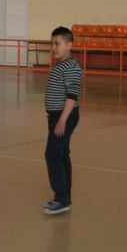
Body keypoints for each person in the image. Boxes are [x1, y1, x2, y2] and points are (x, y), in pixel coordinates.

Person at [43, 26, 83, 215]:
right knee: (61, 154)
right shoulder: (61, 65)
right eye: (52, 44)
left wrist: (62, 121)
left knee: (52, 154)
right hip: (56, 116)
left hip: (64, 116)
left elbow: (72, 96)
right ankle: (64, 196)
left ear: (69, 45)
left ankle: (61, 199)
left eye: (57, 44)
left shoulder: (71, 67)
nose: (53, 48)